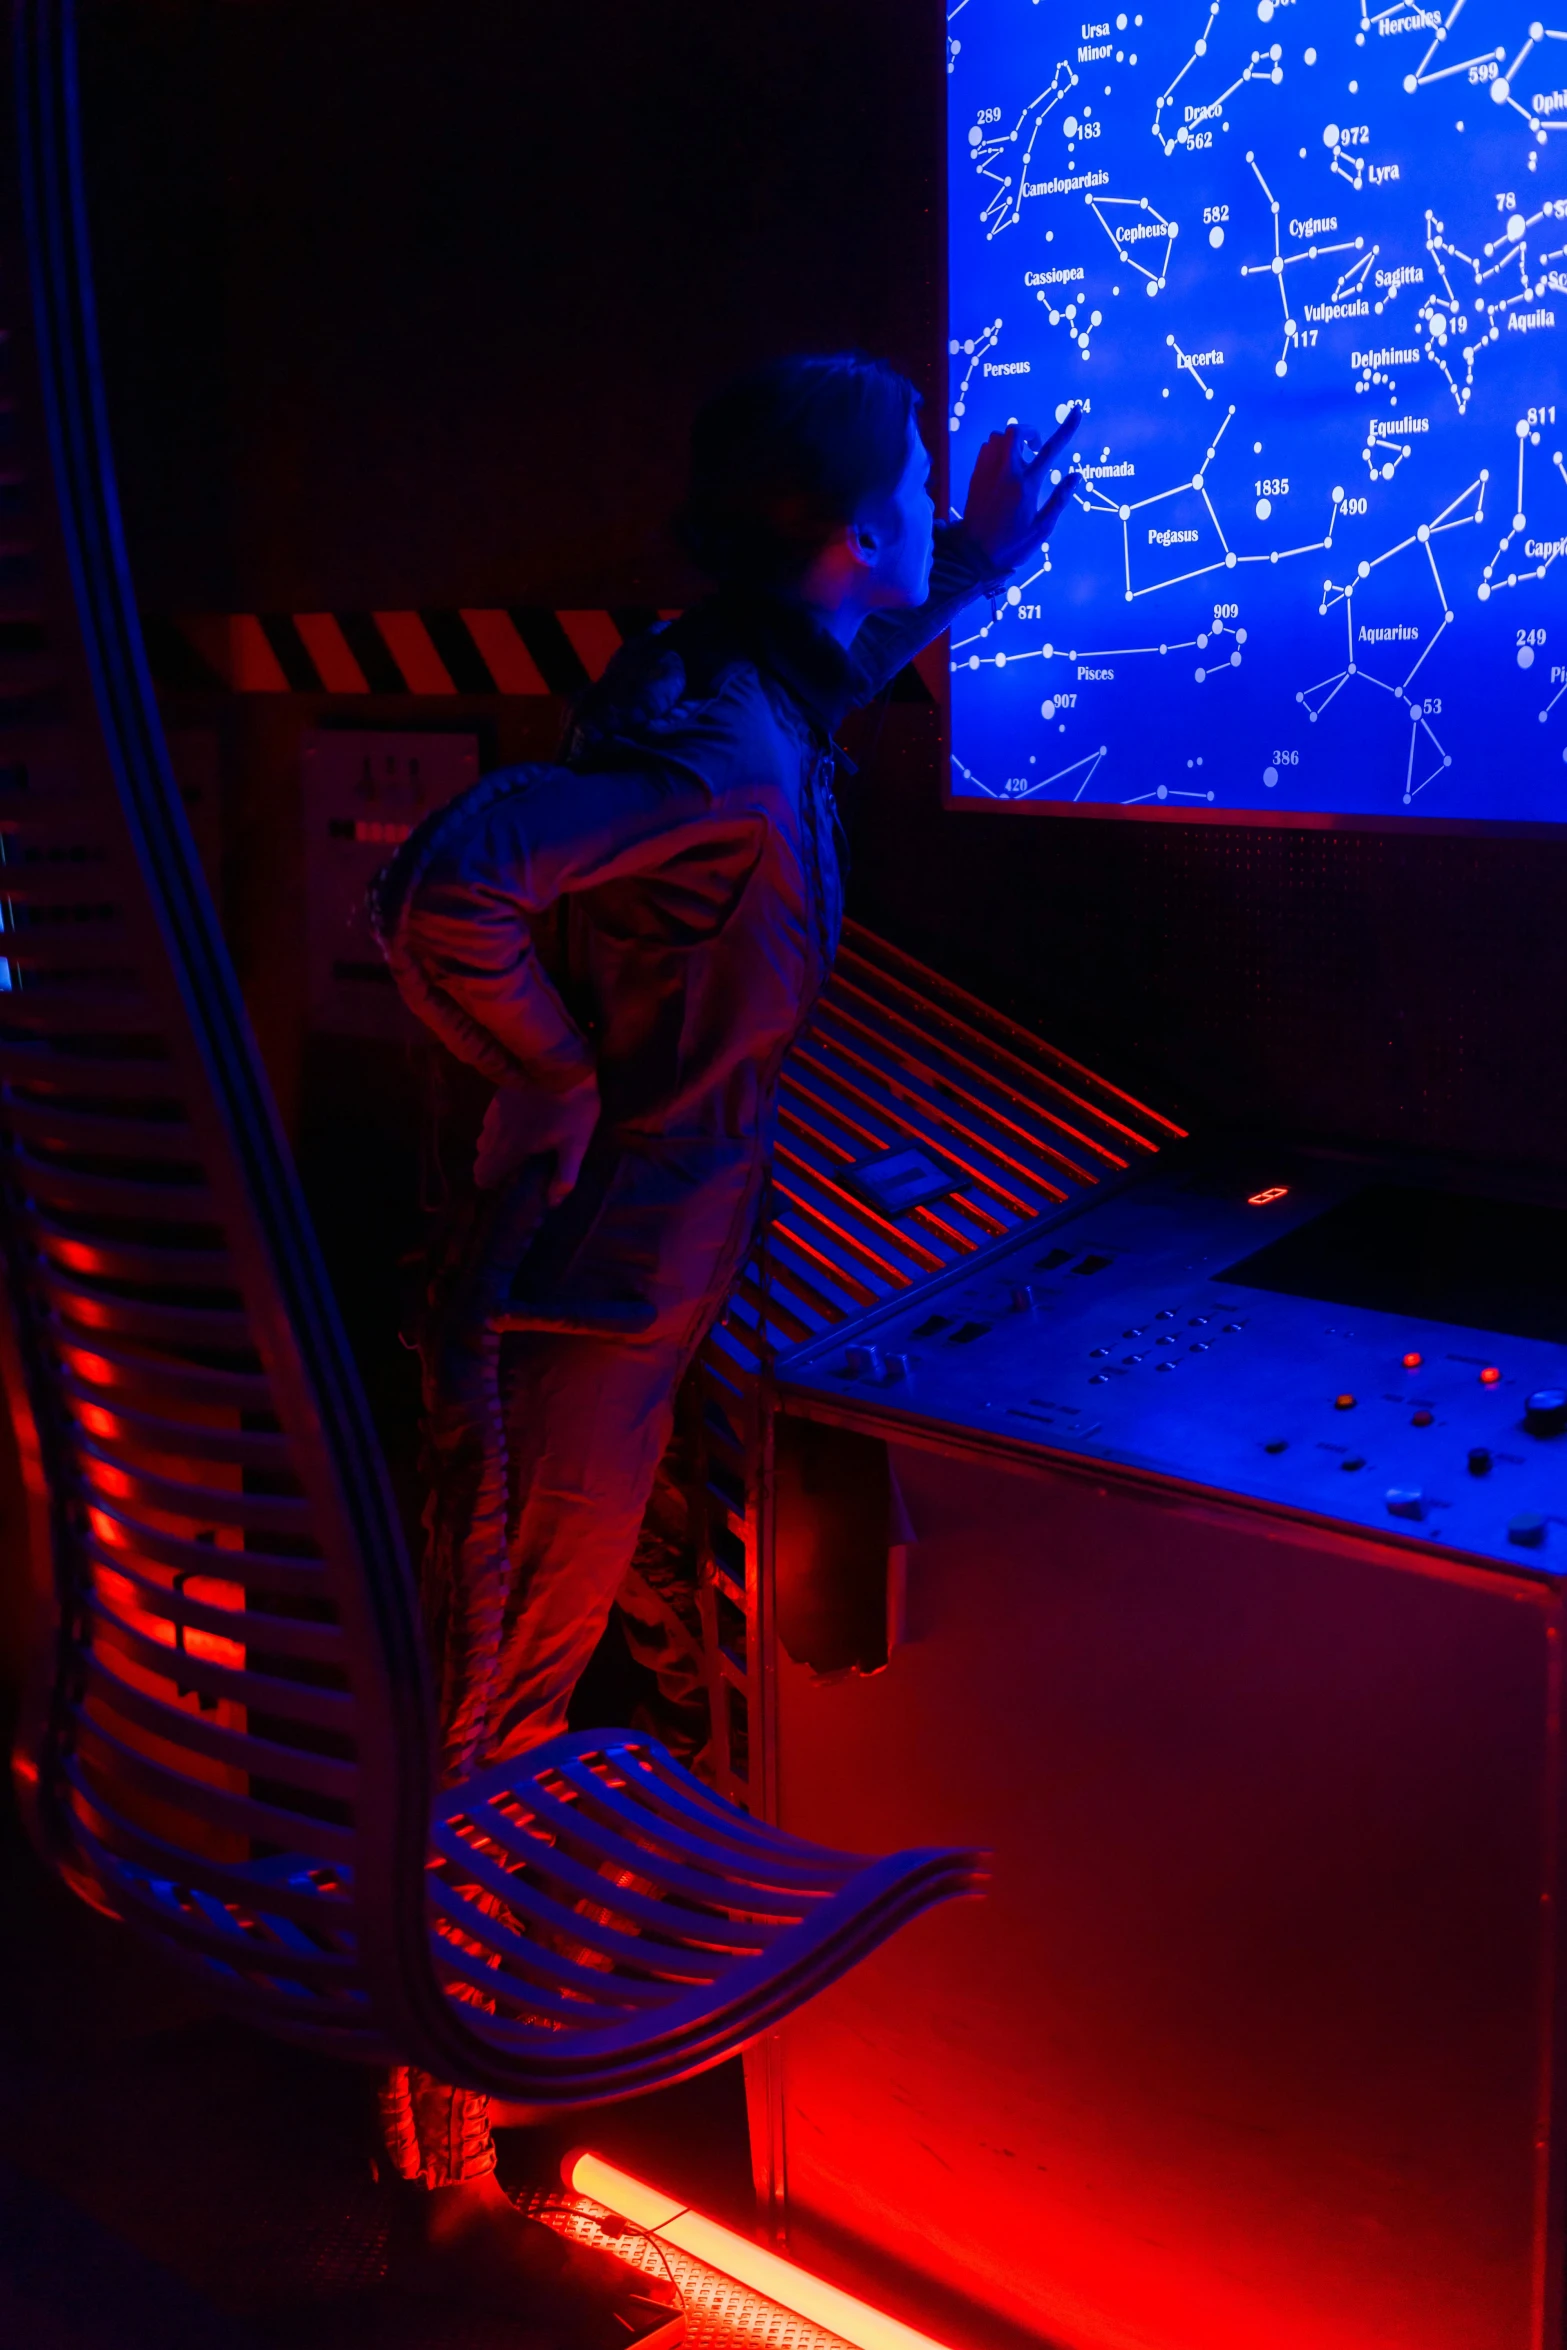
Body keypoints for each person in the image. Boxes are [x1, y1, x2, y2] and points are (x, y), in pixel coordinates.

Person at [371, 353, 1079, 2326]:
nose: (943, 501)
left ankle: (466, 2121)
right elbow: (450, 889)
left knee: (530, 1680)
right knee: (493, 1713)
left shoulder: (754, 678)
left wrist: (990, 572)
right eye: (928, 486)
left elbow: (816, 691)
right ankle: (432, 2172)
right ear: (850, 524)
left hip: (627, 1292)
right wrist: (554, 1070)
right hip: (577, 1308)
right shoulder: (724, 747)